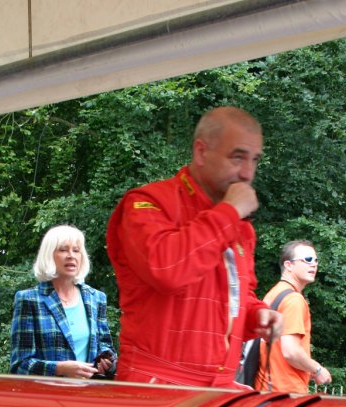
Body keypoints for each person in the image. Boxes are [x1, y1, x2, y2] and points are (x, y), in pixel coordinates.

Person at [106, 106, 281, 386]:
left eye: (255, 160)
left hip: (218, 385)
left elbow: (234, 294)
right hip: (154, 385)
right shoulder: (147, 203)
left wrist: (256, 315)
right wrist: (228, 213)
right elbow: (168, 270)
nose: (248, 173)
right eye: (237, 157)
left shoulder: (237, 224)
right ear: (201, 152)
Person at [10, 225, 116, 378]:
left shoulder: (96, 298)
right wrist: (60, 369)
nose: (71, 255)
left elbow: (106, 346)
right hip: (48, 397)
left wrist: (107, 361)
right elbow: (20, 365)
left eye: (76, 250)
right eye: (63, 250)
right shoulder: (29, 299)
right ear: (49, 255)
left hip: (89, 395)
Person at [254, 240, 332, 393]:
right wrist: (317, 370)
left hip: (265, 389)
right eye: (307, 260)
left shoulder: (273, 294)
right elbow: (290, 351)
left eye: (316, 260)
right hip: (286, 392)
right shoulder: (294, 300)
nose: (314, 265)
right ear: (288, 265)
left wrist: (305, 369)